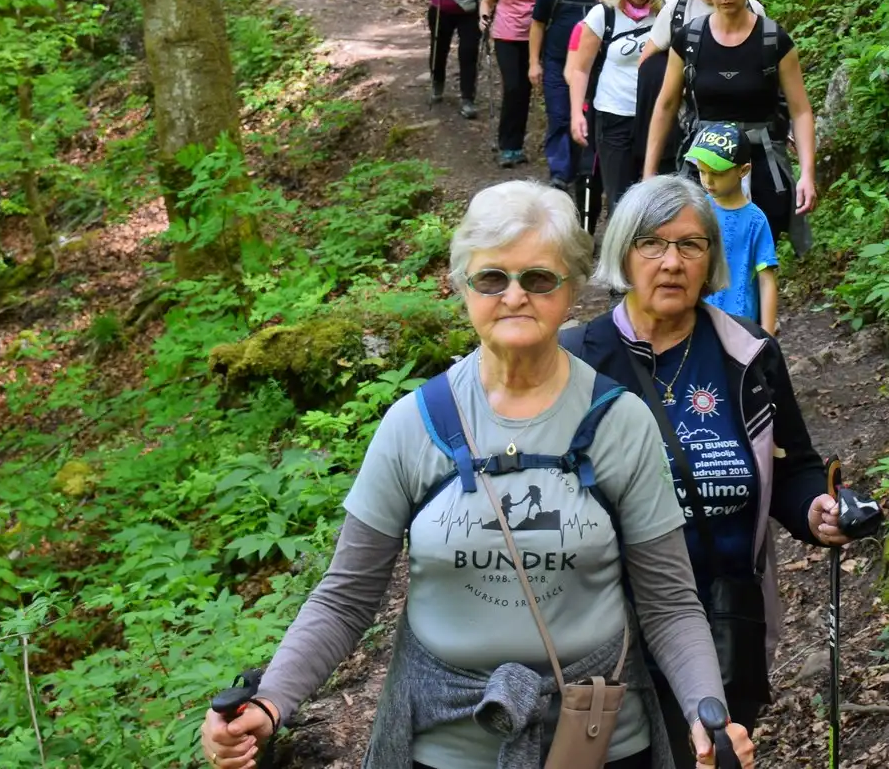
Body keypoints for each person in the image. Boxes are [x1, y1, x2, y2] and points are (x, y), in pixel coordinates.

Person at [199, 182, 755, 769]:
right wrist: (270, 702)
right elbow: (346, 597)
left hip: (600, 741)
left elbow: (669, 602)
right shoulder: (413, 424)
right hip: (443, 745)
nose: (514, 296)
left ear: (571, 288)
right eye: (491, 278)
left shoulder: (620, 422)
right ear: (462, 287)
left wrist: (707, 716)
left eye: (538, 278)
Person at [560, 175, 848, 748]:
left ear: (711, 257)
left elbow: (793, 466)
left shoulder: (749, 354)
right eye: (652, 243)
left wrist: (817, 509)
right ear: (623, 252)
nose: (672, 262)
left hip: (722, 621)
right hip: (600, 628)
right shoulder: (575, 361)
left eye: (690, 244)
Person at [642, 0, 816, 259]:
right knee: (702, 255)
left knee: (757, 259)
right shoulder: (689, 40)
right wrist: (649, 173)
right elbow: (666, 105)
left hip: (762, 165)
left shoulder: (773, 40)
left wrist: (807, 173)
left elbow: (800, 110)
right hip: (704, 167)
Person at [634, 0, 767, 177]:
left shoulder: (752, 9)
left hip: (744, 124)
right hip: (688, 126)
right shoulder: (676, 12)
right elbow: (648, 66)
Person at [566, 0, 662, 218]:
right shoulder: (603, 15)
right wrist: (576, 113)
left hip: (656, 116)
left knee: (656, 198)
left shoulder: (667, 11)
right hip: (614, 115)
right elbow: (580, 69)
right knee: (620, 199)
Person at [684, 123, 778, 334]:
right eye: (702, 171)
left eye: (716, 173)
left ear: (743, 170)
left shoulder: (755, 220)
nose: (707, 181)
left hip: (739, 323)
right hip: (698, 319)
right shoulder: (698, 210)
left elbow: (766, 280)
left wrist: (768, 334)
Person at [530, 0, 600, 196]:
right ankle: (560, 173)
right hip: (556, 62)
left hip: (591, 66)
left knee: (586, 115)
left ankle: (584, 169)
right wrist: (533, 62)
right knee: (559, 115)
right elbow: (538, 24)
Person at [481, 0, 546, 168]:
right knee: (512, 87)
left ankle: (516, 146)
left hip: (534, 37)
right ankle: (506, 145)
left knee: (525, 90)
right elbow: (487, 1)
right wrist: (483, 17)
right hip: (505, 35)